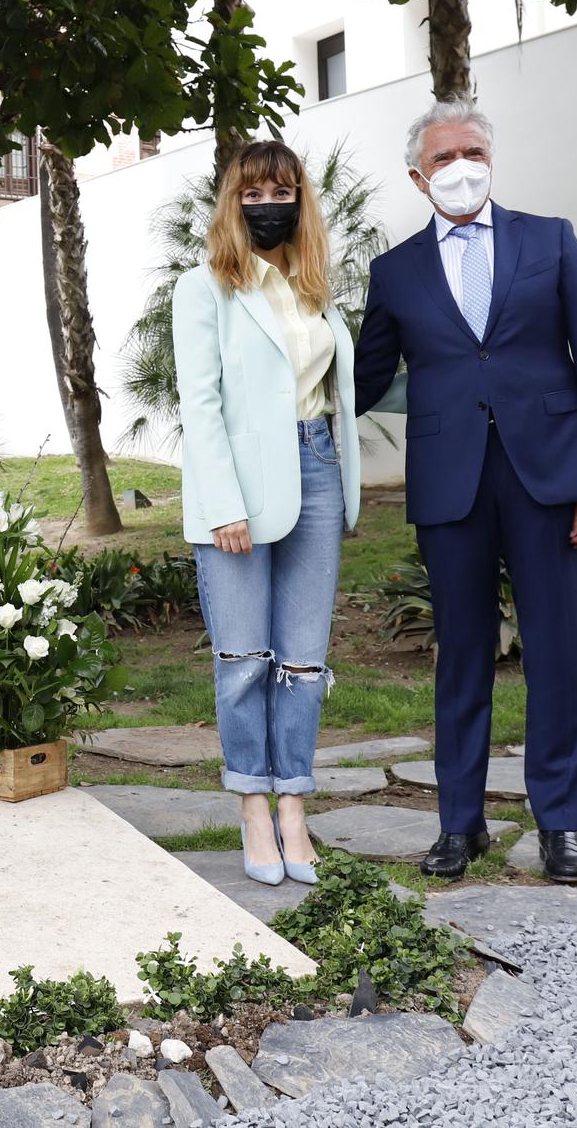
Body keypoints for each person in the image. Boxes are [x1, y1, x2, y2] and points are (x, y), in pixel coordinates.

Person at [355, 99, 577, 884]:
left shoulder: (551, 239)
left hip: (547, 475)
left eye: (471, 150)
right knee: (462, 656)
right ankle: (458, 823)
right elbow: (363, 375)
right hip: (451, 484)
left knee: (553, 654)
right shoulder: (394, 270)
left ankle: (560, 822)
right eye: (442, 158)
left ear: (492, 157)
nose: (459, 166)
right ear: (418, 175)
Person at [172, 140, 362, 886]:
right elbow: (202, 403)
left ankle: (294, 808)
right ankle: (253, 801)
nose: (267, 204)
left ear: (299, 199)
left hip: (316, 470)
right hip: (240, 488)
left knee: (304, 663)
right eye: (253, 193)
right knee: (245, 659)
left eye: (281, 191)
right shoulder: (206, 287)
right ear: (233, 202)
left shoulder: (314, 286)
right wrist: (223, 503)